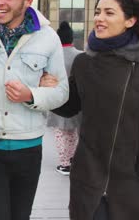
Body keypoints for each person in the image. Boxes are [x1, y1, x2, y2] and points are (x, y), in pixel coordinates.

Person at [45, 0, 139, 220]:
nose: (99, 18)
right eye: (98, 11)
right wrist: (47, 92)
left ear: (130, 21)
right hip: (86, 178)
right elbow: (70, 108)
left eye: (109, 13)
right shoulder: (84, 62)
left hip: (129, 183)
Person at [0, 0, 69, 220]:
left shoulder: (48, 38)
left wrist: (32, 95)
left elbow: (61, 92)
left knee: (20, 216)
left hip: (29, 147)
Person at [46, 21, 82, 176]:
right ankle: (74, 159)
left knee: (60, 133)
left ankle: (64, 164)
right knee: (73, 132)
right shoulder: (80, 56)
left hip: (58, 101)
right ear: (72, 39)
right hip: (78, 100)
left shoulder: (52, 56)